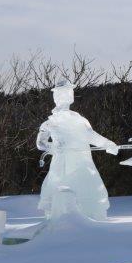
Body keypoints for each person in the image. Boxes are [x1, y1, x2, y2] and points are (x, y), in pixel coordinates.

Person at [37, 80, 118, 221]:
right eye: (62, 94)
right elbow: (41, 143)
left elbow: (90, 135)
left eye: (69, 93)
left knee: (88, 189)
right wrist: (54, 148)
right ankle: (60, 220)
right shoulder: (50, 122)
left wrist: (107, 144)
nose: (66, 96)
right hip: (61, 165)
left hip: (82, 163)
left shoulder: (80, 120)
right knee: (60, 189)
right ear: (56, 97)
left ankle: (92, 219)